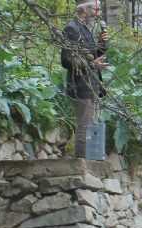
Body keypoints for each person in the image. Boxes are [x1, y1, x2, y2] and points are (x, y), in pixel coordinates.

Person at [61, 0, 108, 158]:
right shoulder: (71, 28)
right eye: (96, 9)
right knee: (84, 125)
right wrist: (93, 64)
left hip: (92, 84)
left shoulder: (86, 29)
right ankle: (81, 163)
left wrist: (102, 43)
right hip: (80, 85)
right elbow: (66, 60)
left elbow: (94, 55)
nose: (98, 14)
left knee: (89, 124)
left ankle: (88, 159)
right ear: (84, 10)